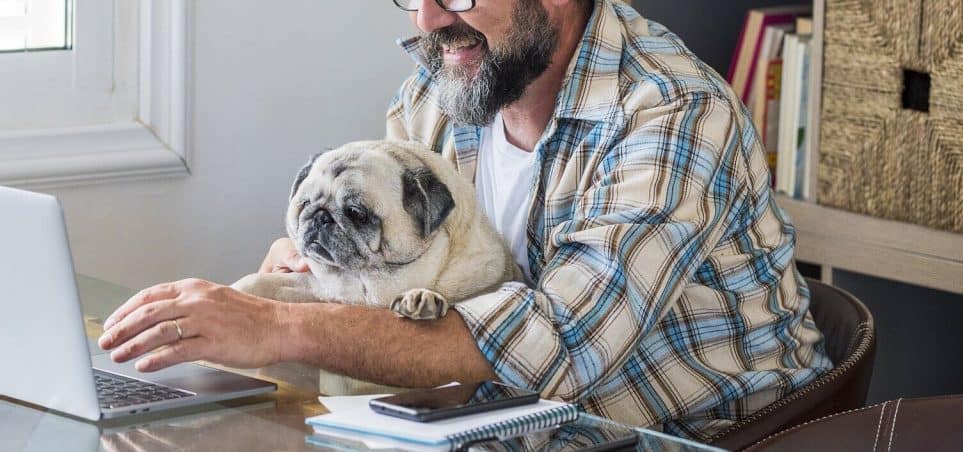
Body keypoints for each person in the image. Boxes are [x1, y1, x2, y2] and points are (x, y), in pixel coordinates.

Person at [98, 0, 833, 441]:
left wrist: (278, 326)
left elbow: (558, 347)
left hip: (705, 438)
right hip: (486, 428)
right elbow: (397, 263)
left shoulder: (672, 115)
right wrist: (319, 267)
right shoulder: (445, 85)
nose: (426, 22)